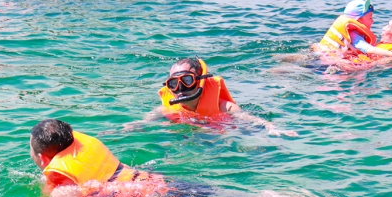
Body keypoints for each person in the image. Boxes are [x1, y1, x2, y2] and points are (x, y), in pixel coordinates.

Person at [27, 118, 309, 197]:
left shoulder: (61, 179)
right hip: (162, 181)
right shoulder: (83, 143)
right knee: (227, 195)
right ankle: (265, 195)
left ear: (43, 156)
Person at [123, 58, 295, 136]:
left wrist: (270, 127)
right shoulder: (166, 108)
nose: (181, 88)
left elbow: (250, 120)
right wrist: (129, 128)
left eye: (187, 80)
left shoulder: (224, 107)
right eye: (174, 84)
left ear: (200, 82)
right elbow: (142, 123)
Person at [314, 0, 392, 61]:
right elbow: (369, 49)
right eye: (370, 18)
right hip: (326, 63)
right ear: (358, 20)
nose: (373, 21)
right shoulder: (353, 35)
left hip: (321, 56)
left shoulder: (351, 32)